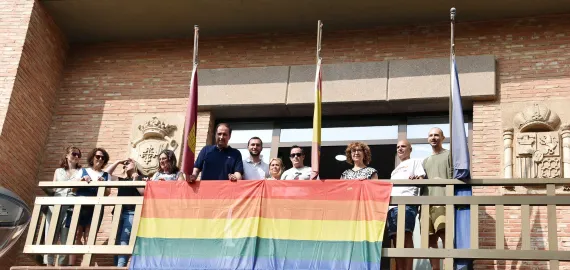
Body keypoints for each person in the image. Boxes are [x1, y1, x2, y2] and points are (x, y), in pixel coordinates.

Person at [68, 148, 111, 266]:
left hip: (95, 208)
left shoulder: (106, 175)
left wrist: (103, 184)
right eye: (98, 157)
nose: (100, 159)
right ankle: (71, 265)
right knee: (77, 233)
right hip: (80, 205)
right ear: (92, 158)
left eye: (103, 158)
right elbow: (72, 188)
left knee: (89, 235)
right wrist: (82, 180)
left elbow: (108, 193)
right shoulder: (82, 171)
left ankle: (86, 264)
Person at [387, 139, 425, 270]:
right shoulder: (395, 171)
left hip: (407, 203)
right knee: (396, 239)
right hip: (392, 207)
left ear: (410, 149)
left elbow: (421, 180)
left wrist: (416, 181)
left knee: (406, 235)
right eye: (398, 147)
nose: (400, 149)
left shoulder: (415, 162)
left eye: (403, 146)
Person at [44, 146, 82, 266]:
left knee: (66, 236)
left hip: (71, 205)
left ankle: (61, 265)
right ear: (67, 155)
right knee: (51, 233)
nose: (76, 156)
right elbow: (54, 188)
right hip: (56, 203)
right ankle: (48, 264)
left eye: (78, 155)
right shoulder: (58, 171)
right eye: (74, 154)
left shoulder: (80, 172)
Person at [422, 127, 452, 270]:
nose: (433, 138)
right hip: (427, 205)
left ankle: (448, 267)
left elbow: (457, 177)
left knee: (444, 236)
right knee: (430, 240)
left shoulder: (450, 155)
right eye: (430, 135)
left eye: (436, 135)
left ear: (443, 138)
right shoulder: (425, 161)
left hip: (443, 202)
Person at [105, 158, 145, 267]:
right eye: (125, 164)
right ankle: (116, 266)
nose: (126, 164)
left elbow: (144, 193)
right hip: (118, 213)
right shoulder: (122, 180)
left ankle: (120, 267)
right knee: (116, 240)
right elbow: (106, 175)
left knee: (124, 240)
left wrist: (136, 179)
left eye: (129, 163)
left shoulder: (141, 178)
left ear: (135, 164)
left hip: (132, 213)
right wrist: (118, 162)